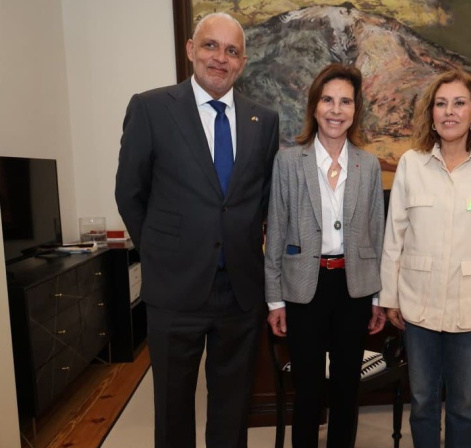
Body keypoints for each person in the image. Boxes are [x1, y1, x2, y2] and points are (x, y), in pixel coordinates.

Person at [114, 12, 279, 448]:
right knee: (172, 409)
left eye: (231, 51)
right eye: (211, 46)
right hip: (175, 290)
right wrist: (159, 252)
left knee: (232, 407)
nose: (219, 58)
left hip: (240, 291)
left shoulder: (263, 120)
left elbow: (261, 198)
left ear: (242, 62)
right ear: (191, 50)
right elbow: (130, 192)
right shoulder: (151, 108)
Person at [380, 69, 471, 448]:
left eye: (459, 103)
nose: (450, 112)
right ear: (431, 113)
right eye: (441, 104)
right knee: (424, 402)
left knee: (464, 405)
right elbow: (394, 236)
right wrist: (389, 297)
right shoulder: (412, 164)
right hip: (418, 304)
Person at [264, 63, 387, 448]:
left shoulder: (367, 165)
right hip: (304, 290)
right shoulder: (288, 162)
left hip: (353, 290)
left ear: (355, 109)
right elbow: (275, 232)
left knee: (347, 392)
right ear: (315, 107)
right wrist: (274, 300)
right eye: (328, 100)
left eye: (345, 101)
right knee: (309, 393)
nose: (336, 109)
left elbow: (377, 235)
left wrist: (380, 298)